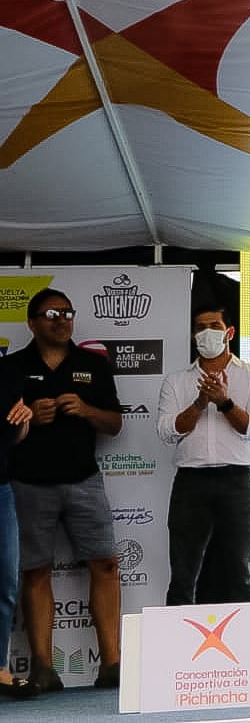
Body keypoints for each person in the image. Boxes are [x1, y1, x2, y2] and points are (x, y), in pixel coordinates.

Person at [7, 289, 123, 691]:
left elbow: (115, 424)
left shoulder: (93, 364)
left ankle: (112, 664)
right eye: (52, 314)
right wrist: (28, 420)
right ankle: (43, 667)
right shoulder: (11, 367)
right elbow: (2, 429)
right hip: (28, 483)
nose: (62, 320)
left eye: (67, 313)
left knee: (106, 565)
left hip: (84, 480)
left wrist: (87, 410)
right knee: (35, 572)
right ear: (32, 322)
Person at [156, 304, 250, 606]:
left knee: (241, 572)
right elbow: (166, 431)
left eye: (214, 326)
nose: (206, 333)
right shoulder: (177, 381)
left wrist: (223, 402)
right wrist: (199, 403)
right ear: (193, 336)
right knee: (183, 575)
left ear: (229, 333)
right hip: (191, 483)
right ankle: (177, 636)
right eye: (200, 327)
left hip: (238, 482)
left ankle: (247, 635)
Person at [0, 362, 37, 700]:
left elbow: (15, 434)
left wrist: (25, 419)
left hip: (1, 488)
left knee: (6, 582)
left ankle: (0, 667)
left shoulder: (7, 372)